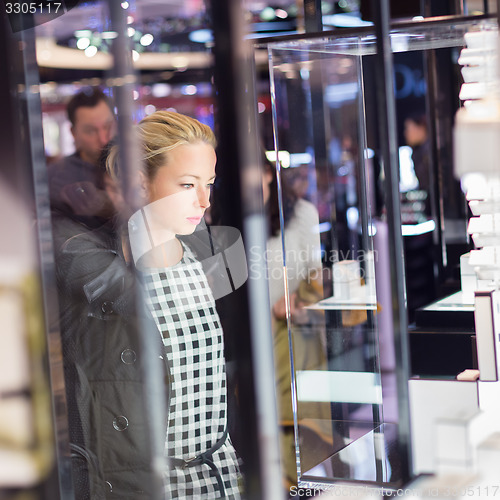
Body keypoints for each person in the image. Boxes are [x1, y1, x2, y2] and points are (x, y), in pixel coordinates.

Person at [107, 110, 243, 499]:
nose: (203, 200)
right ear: (141, 184)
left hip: (218, 472)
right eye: (187, 184)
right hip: (149, 484)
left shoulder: (206, 258)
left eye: (209, 184)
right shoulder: (107, 273)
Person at [262, 156, 331, 490]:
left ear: (268, 176)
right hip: (249, 337)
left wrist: (300, 300)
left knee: (299, 421)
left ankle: (303, 485)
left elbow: (315, 274)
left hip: (292, 333)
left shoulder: (301, 213)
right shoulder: (219, 216)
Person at [48, 88, 117, 228]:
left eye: (108, 126)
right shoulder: (55, 178)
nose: (103, 139)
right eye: (90, 131)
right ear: (73, 133)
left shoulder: (134, 163)